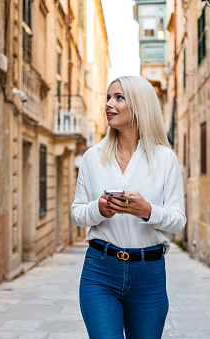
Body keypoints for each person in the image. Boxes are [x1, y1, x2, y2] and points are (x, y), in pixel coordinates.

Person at [71, 75, 186, 339]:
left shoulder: (165, 159)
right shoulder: (92, 157)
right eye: (108, 97)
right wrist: (99, 209)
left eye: (119, 98)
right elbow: (77, 212)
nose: (109, 104)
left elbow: (178, 220)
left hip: (149, 272)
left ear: (140, 105)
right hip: (100, 269)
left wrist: (146, 211)